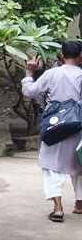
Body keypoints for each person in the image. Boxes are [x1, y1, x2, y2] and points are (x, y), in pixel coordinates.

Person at [22, 40, 82, 222]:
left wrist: (29, 73)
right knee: (80, 162)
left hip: (54, 125)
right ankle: (79, 204)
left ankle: (57, 208)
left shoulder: (52, 74)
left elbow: (29, 92)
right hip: (78, 125)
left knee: (52, 164)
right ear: (81, 56)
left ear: (61, 56)